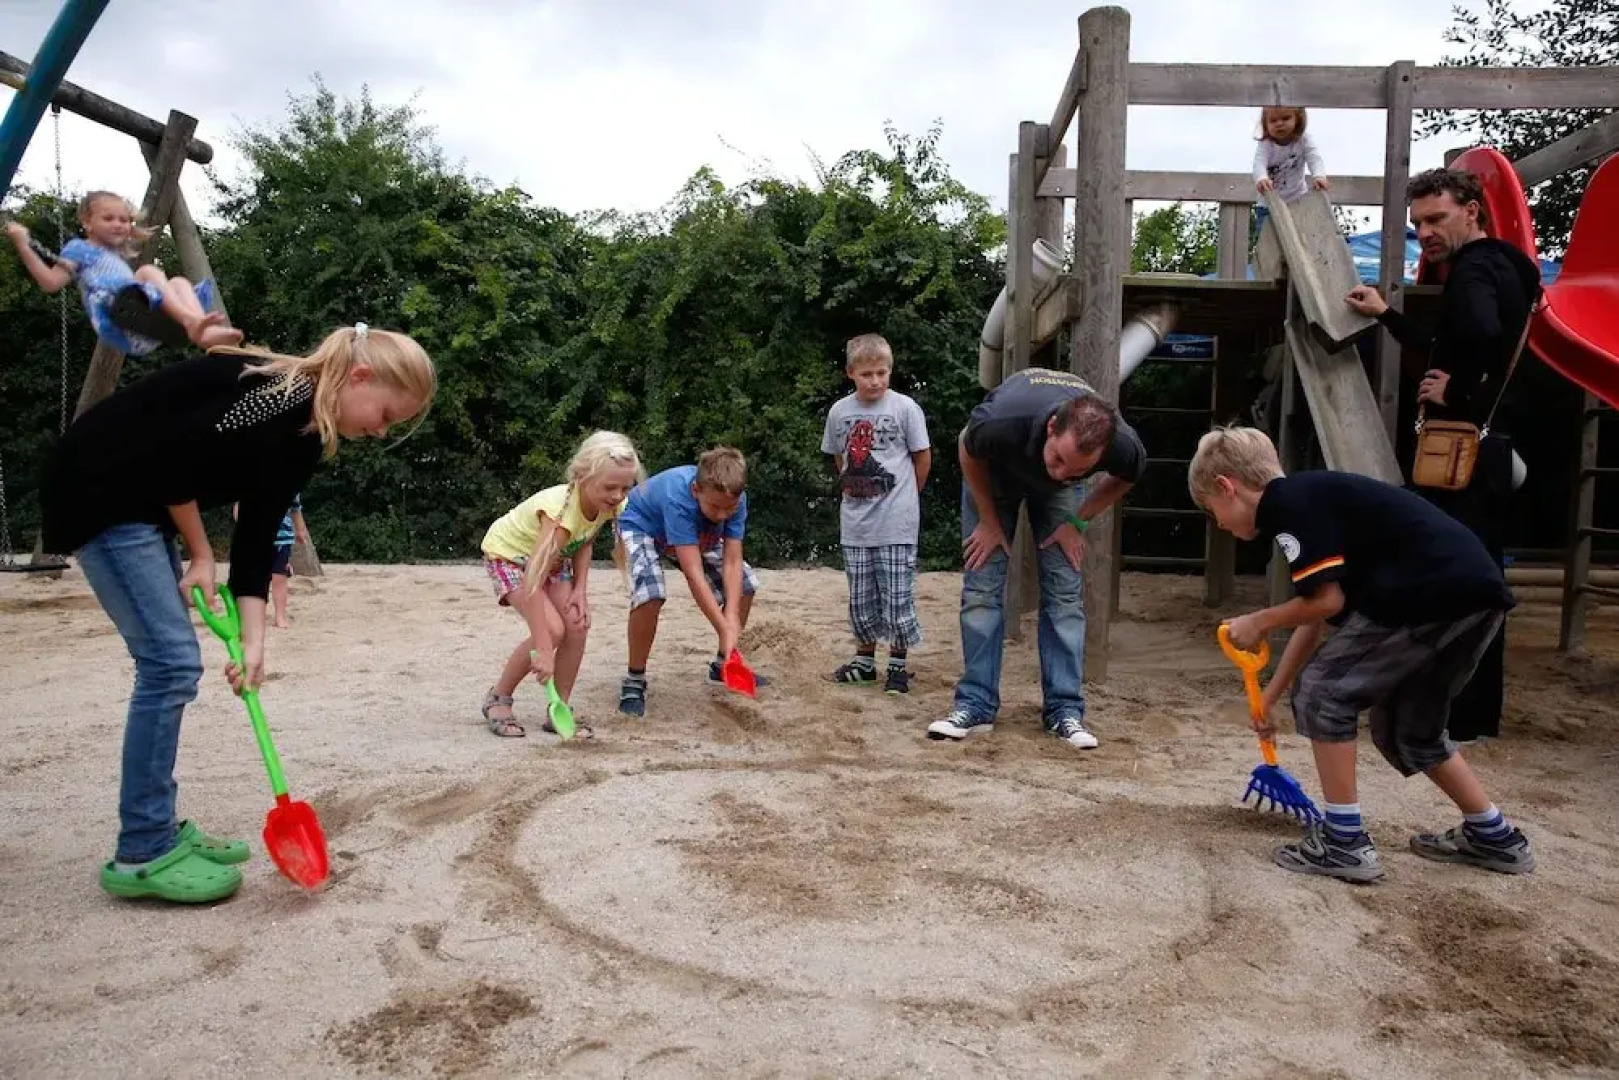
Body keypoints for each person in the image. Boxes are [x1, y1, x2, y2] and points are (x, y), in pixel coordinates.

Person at [39, 323, 436, 904]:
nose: (381, 430)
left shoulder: (303, 434)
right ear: (359, 377)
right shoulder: (275, 394)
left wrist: (255, 644)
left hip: (141, 503)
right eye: (385, 414)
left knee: (172, 662)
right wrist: (200, 553)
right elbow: (172, 461)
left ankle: (159, 826)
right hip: (100, 491)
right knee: (171, 663)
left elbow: (255, 533)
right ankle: (143, 850)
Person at [1192, 425, 1534, 882]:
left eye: (1211, 510)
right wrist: (1270, 695)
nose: (1218, 523)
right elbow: (1317, 615)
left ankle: (1344, 842)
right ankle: (1495, 836)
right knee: (1410, 728)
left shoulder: (1288, 504)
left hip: (1429, 593)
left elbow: (1324, 605)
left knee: (1324, 693)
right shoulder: (1314, 503)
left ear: (1226, 487)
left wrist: (1259, 620)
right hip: (1473, 595)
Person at [1345, 166, 1542, 743]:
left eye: (1436, 218)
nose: (1426, 232)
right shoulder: (1515, 267)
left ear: (1472, 211)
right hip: (1491, 443)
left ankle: (1456, 709)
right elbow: (1457, 343)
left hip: (1464, 452)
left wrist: (1452, 392)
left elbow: (1478, 331)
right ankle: (1472, 709)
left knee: (1453, 573)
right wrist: (1386, 314)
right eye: (1418, 223)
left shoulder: (1475, 267)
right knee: (1480, 574)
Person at [926, 367, 1145, 749]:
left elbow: (1129, 475)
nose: (1061, 473)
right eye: (1058, 459)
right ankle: (975, 705)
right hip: (995, 474)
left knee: (1064, 593)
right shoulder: (1002, 420)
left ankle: (1064, 711)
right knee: (982, 585)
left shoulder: (1119, 445)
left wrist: (1078, 521)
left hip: (1062, 503)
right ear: (1051, 429)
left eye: (1078, 469)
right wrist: (990, 520)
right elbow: (967, 447)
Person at [479, 431, 644, 738]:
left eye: (625, 487)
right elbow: (533, 578)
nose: (618, 495)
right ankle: (498, 698)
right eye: (610, 487)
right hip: (512, 558)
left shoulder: (608, 504)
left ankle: (560, 708)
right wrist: (543, 650)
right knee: (552, 630)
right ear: (582, 476)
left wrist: (580, 590)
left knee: (577, 624)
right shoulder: (558, 512)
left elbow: (585, 540)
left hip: (553, 560)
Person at [615, 447, 763, 717]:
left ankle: (724, 664)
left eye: (729, 508)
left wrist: (730, 615)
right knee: (651, 594)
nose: (722, 515)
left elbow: (732, 560)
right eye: (715, 507)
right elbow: (693, 573)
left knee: (746, 584)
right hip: (643, 526)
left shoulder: (735, 500)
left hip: (695, 533)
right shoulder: (679, 498)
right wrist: (723, 627)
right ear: (696, 490)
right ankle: (634, 679)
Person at [821, 333, 932, 694]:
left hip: (896, 520)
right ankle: (864, 662)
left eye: (882, 373)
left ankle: (897, 666)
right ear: (851, 373)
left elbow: (921, 457)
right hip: (855, 521)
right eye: (867, 374)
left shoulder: (905, 408)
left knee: (897, 595)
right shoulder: (840, 412)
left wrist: (907, 496)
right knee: (861, 597)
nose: (876, 381)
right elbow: (838, 457)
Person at [5, 190, 242, 354]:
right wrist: (22, 245)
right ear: (87, 222)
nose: (119, 224)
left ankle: (201, 330)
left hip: (144, 329)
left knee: (179, 282)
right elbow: (50, 282)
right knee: (148, 271)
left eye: (124, 220)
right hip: (118, 319)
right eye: (108, 218)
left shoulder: (118, 256)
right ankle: (194, 323)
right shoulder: (80, 249)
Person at [231, 493, 313, 629]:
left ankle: (279, 617)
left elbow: (296, 509)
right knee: (254, 579)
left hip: (282, 538)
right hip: (256, 539)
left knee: (279, 579)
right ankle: (253, 616)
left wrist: (300, 530)